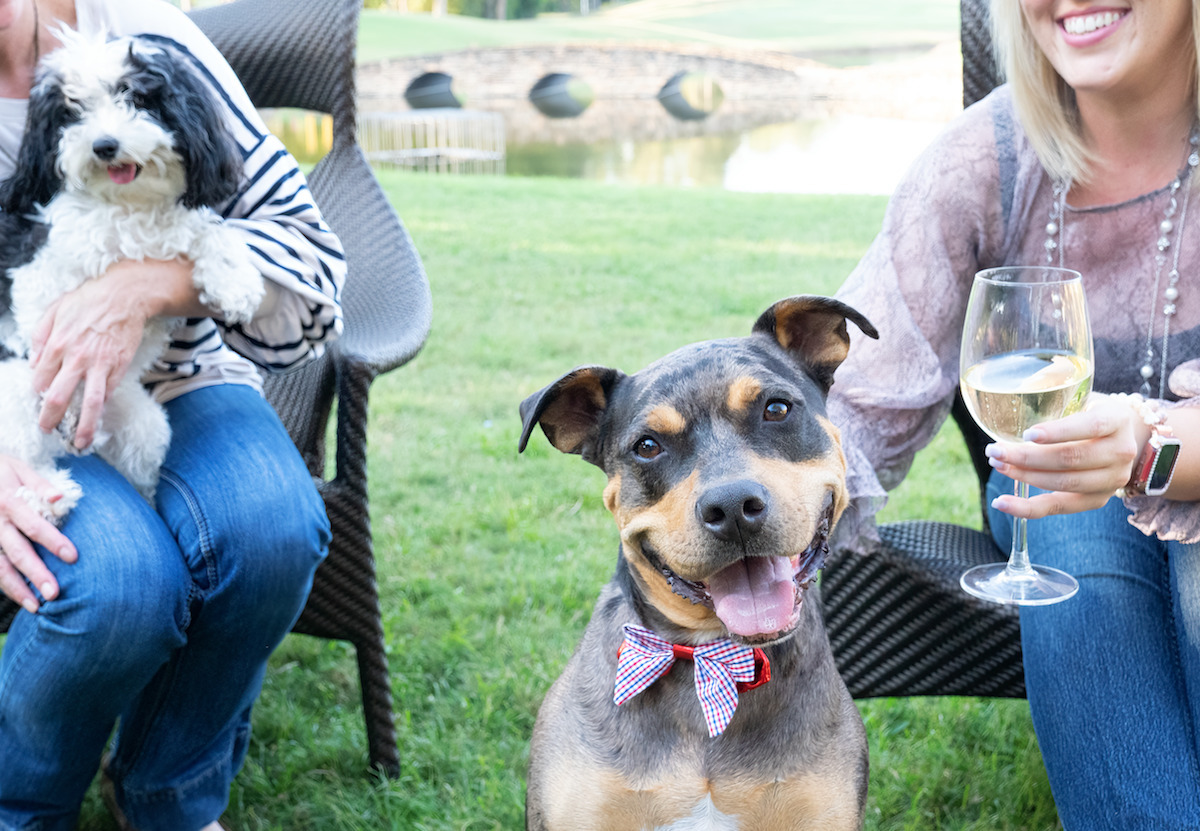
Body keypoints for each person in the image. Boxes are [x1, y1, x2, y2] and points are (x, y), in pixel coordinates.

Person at [828, 0, 1200, 827]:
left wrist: (1152, 451)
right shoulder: (984, 160)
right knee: (1074, 524)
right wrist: (745, 542)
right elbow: (856, 404)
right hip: (1056, 511)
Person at [0, 0, 346, 829]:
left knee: (269, 528)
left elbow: (313, 259)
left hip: (188, 373)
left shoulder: (146, 33)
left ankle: (169, 797)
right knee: (117, 581)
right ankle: (22, 807)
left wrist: (153, 281)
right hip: (27, 392)